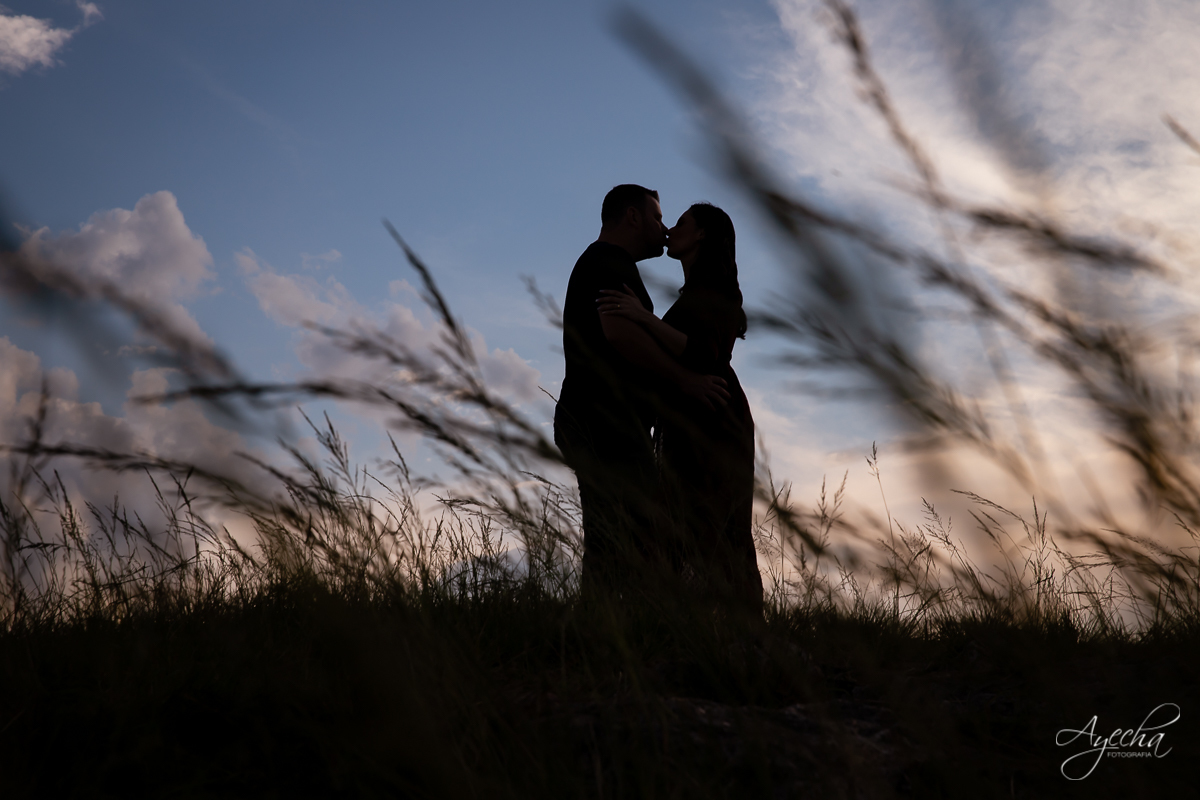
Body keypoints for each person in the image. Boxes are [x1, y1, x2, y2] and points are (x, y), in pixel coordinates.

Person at [554, 185, 730, 600]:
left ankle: (606, 636)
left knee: (614, 536)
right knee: (631, 534)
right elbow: (618, 332)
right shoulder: (608, 262)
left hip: (600, 420)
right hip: (603, 420)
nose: (664, 227)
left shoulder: (604, 262)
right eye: (656, 217)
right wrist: (685, 380)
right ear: (632, 217)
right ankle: (613, 636)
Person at [597, 202, 763, 614]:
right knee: (682, 521)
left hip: (715, 417)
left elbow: (705, 354)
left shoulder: (717, 290)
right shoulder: (693, 293)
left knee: (714, 521)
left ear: (702, 234)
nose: (671, 228)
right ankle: (694, 622)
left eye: (682, 222)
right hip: (689, 417)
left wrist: (642, 318)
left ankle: (740, 626)